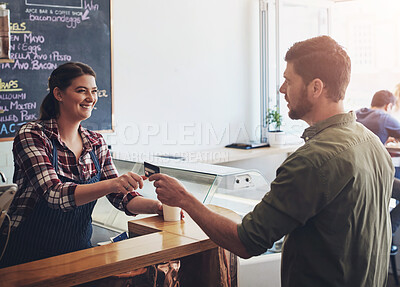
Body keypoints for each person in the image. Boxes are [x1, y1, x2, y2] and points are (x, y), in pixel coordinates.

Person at [149, 36, 393, 286]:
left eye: (289, 80)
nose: (282, 89)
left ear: (316, 88)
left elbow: (246, 242)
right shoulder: (372, 142)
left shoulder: (311, 161)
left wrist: (184, 199)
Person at [0, 62, 162, 268]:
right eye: (81, 91)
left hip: (78, 253)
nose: (91, 98)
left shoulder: (96, 142)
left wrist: (158, 207)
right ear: (58, 94)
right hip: (26, 255)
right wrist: (114, 183)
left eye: (94, 91)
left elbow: (122, 197)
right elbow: (54, 195)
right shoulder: (32, 135)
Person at [356, 90, 400, 244]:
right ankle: (386, 233)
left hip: (354, 177)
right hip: (372, 177)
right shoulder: (384, 117)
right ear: (388, 106)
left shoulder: (357, 114)